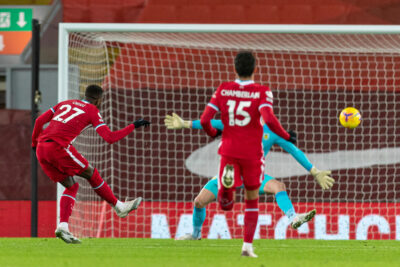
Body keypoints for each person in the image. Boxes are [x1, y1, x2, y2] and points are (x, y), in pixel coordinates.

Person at [164, 113, 335, 241]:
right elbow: (212, 123)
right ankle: (195, 235)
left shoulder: (272, 132)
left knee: (278, 187)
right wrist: (185, 124)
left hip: (253, 177)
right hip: (228, 176)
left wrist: (314, 171)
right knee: (199, 202)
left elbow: (294, 151)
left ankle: (293, 217)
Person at [199, 51, 297, 257]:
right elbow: (269, 120)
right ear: (255, 69)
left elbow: (205, 119)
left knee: (226, 198)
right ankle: (247, 247)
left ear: (235, 68)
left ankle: (226, 192)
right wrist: (287, 135)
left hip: (229, 150)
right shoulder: (262, 92)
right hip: (252, 153)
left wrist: (212, 133)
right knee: (252, 199)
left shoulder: (223, 89)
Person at [32, 84, 150, 244]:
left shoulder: (65, 103)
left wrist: (34, 144)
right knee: (90, 173)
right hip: (58, 147)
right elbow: (110, 138)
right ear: (98, 99)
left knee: (71, 186)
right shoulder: (92, 111)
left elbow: (39, 121)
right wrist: (133, 126)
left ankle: (63, 226)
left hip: (41, 148)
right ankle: (119, 207)